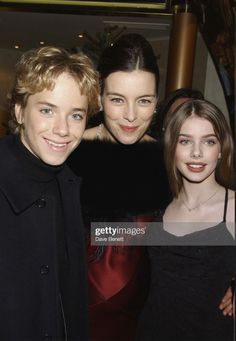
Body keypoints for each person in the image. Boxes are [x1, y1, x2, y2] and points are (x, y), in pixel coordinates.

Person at [68, 33, 170, 341]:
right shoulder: (67, 151)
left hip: (140, 321)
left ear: (157, 99)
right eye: (117, 99)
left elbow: (206, 230)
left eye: (144, 101)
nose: (130, 116)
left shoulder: (170, 160)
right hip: (69, 310)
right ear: (99, 95)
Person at [0, 46, 100, 340]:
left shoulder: (71, 185)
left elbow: (117, 235)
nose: (62, 129)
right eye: (47, 110)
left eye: (76, 116)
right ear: (19, 111)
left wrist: (215, 238)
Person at [137, 99, 235, 341]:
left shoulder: (233, 208)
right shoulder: (158, 206)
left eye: (209, 141)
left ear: (221, 148)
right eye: (185, 141)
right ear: (172, 147)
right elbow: (107, 236)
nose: (197, 153)